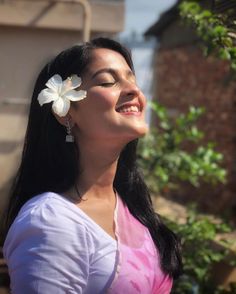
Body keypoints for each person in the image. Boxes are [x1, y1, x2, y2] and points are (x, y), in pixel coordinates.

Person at [3, 37, 182, 293]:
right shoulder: (49, 223)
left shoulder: (130, 204)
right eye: (108, 81)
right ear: (66, 113)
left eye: (132, 79)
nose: (134, 90)